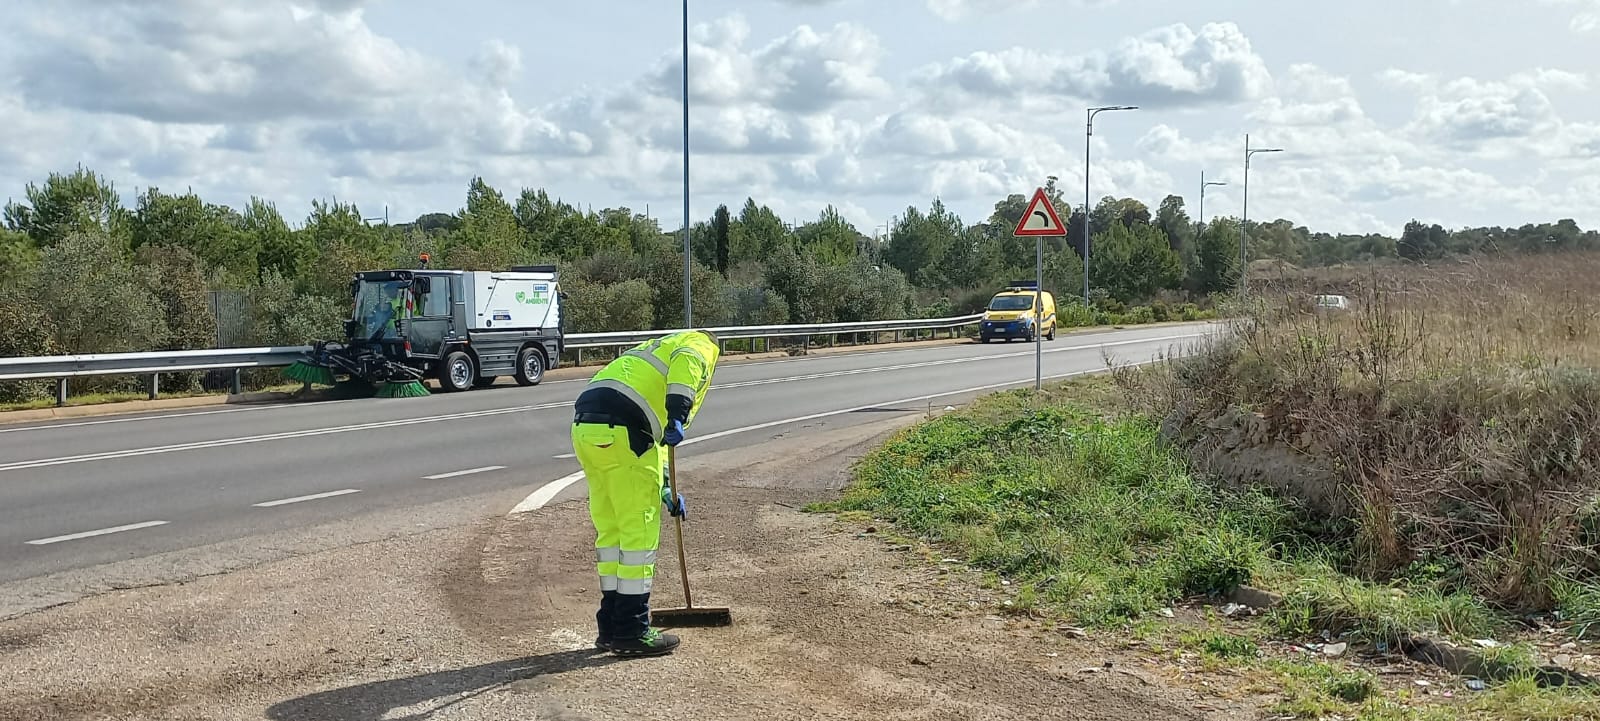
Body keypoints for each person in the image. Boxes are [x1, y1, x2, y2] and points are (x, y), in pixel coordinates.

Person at [569, 328, 721, 657]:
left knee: (612, 533)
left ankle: (609, 627)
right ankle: (631, 631)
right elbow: (688, 365)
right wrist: (679, 412)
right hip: (627, 431)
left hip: (586, 428)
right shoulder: (699, 343)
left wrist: (666, 487)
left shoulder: (652, 350)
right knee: (638, 534)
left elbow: (661, 440)